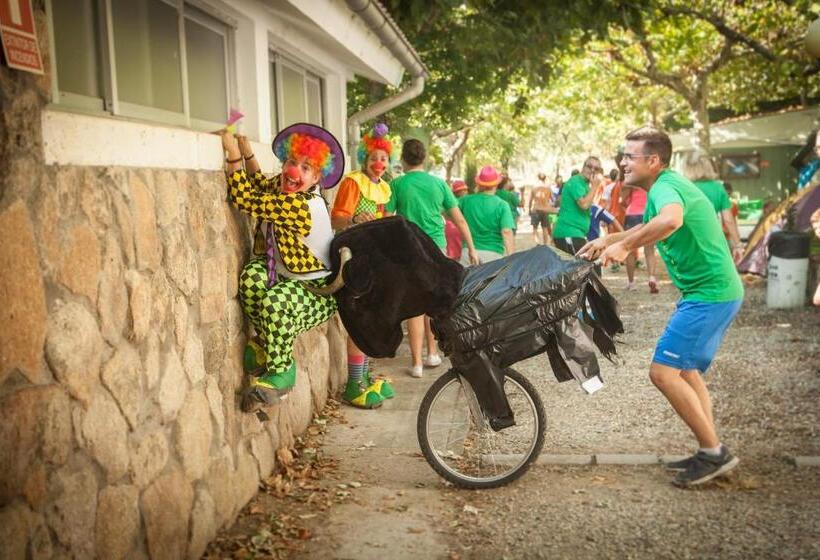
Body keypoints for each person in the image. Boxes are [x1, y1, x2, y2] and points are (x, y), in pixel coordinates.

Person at [578, 126, 743, 487]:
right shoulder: (664, 185)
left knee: (663, 373)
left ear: (654, 160)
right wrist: (611, 238)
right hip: (713, 292)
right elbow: (656, 223)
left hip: (710, 294)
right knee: (685, 372)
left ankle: (714, 453)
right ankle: (710, 449)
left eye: (629, 156)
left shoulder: (666, 187)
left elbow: (670, 221)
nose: (622, 162)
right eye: (622, 155)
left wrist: (625, 248)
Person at [223, 124, 342, 415]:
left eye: (305, 168)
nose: (294, 172)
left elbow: (246, 199)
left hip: (317, 292)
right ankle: (265, 344)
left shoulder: (302, 207)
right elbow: (263, 185)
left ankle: (282, 370)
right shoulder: (286, 189)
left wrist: (232, 157)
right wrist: (249, 153)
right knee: (252, 278)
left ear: (317, 178)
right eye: (291, 162)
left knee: (275, 302)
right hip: (289, 277)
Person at [387, 139, 479, 377]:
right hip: (437, 248)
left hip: (408, 249)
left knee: (414, 305)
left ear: (403, 159)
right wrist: (471, 248)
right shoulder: (439, 184)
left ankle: (417, 363)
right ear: (424, 158)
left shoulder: (396, 185)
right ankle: (433, 354)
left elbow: (387, 219)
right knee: (432, 302)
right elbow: (458, 219)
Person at [331, 123, 398, 408]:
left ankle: (365, 377)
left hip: (372, 258)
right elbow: (337, 219)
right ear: (364, 158)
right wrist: (355, 220)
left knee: (369, 319)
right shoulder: (353, 182)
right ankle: (354, 384)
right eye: (374, 158)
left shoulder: (384, 187)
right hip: (352, 257)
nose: (379, 163)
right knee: (359, 320)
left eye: (383, 158)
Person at [681, 151, 743, 262]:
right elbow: (728, 220)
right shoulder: (718, 187)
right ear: (708, 167)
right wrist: (738, 244)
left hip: (688, 242)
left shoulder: (683, 188)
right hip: (712, 240)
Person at [459, 166, 516, 265]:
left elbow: (449, 214)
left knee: (465, 280)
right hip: (493, 255)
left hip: (468, 253)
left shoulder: (465, 200)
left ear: (479, 183)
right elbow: (506, 231)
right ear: (496, 184)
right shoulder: (502, 205)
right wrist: (512, 259)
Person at [551, 157, 604, 256]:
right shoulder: (576, 182)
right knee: (584, 267)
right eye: (589, 166)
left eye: (596, 169)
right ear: (583, 167)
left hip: (577, 234)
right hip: (569, 232)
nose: (592, 170)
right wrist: (595, 186)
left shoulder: (585, 185)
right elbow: (584, 205)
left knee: (586, 266)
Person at [621, 181, 660, 293]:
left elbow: (623, 200)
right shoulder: (653, 180)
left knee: (630, 250)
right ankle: (652, 277)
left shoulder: (632, 181)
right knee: (649, 251)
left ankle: (631, 283)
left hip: (632, 215)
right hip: (648, 214)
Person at [445, 179, 469, 260]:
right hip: (459, 230)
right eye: (464, 190)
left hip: (448, 230)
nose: (466, 192)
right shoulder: (465, 201)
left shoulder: (449, 201)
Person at [529, 173, 555, 245]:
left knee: (535, 228)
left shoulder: (534, 187)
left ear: (538, 178)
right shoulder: (548, 188)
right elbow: (553, 200)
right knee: (545, 227)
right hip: (545, 209)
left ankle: (537, 243)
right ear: (545, 178)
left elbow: (531, 200)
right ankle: (545, 244)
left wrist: (529, 209)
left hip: (536, 209)